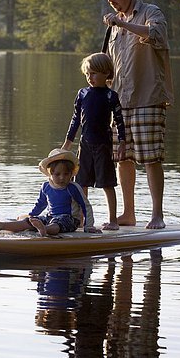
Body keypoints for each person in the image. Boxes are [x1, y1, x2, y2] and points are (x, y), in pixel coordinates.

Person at [95, 0, 174, 229]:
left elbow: (157, 35)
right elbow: (110, 64)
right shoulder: (114, 26)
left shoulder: (151, 12)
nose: (111, 0)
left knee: (151, 159)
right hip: (120, 101)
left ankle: (157, 216)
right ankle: (128, 214)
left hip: (148, 98)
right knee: (123, 158)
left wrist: (123, 23)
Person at [62, 52, 126, 231]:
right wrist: (68, 141)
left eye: (95, 73)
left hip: (103, 146)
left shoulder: (110, 96)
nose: (90, 77)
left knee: (107, 183)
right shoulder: (82, 93)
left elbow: (120, 121)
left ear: (106, 74)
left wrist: (122, 142)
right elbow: (75, 119)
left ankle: (113, 220)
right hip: (85, 145)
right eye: (88, 73)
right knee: (81, 183)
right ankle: (82, 219)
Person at [0, 148, 98, 237]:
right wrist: (31, 216)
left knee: (57, 223)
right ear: (51, 174)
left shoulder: (73, 187)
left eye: (66, 174)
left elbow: (86, 206)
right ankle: (1, 225)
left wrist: (89, 226)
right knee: (31, 221)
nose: (62, 178)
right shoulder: (46, 187)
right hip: (50, 216)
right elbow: (40, 204)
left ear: (71, 174)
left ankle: (44, 229)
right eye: (57, 174)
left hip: (69, 219)